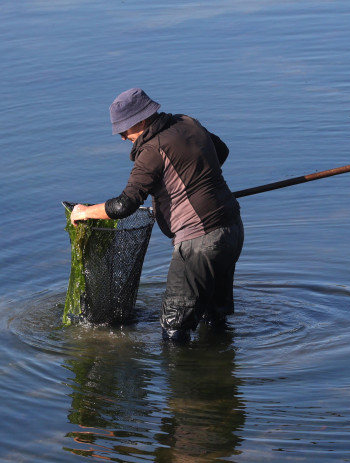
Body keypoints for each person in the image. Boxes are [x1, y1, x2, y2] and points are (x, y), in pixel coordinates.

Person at [70, 88, 243, 342]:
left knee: (174, 328)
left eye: (123, 130)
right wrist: (189, 183)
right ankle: (219, 373)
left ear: (141, 120)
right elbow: (221, 152)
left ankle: (185, 377)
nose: (122, 137)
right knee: (213, 317)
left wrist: (85, 212)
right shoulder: (188, 122)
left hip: (199, 243)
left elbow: (124, 205)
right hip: (232, 230)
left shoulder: (152, 151)